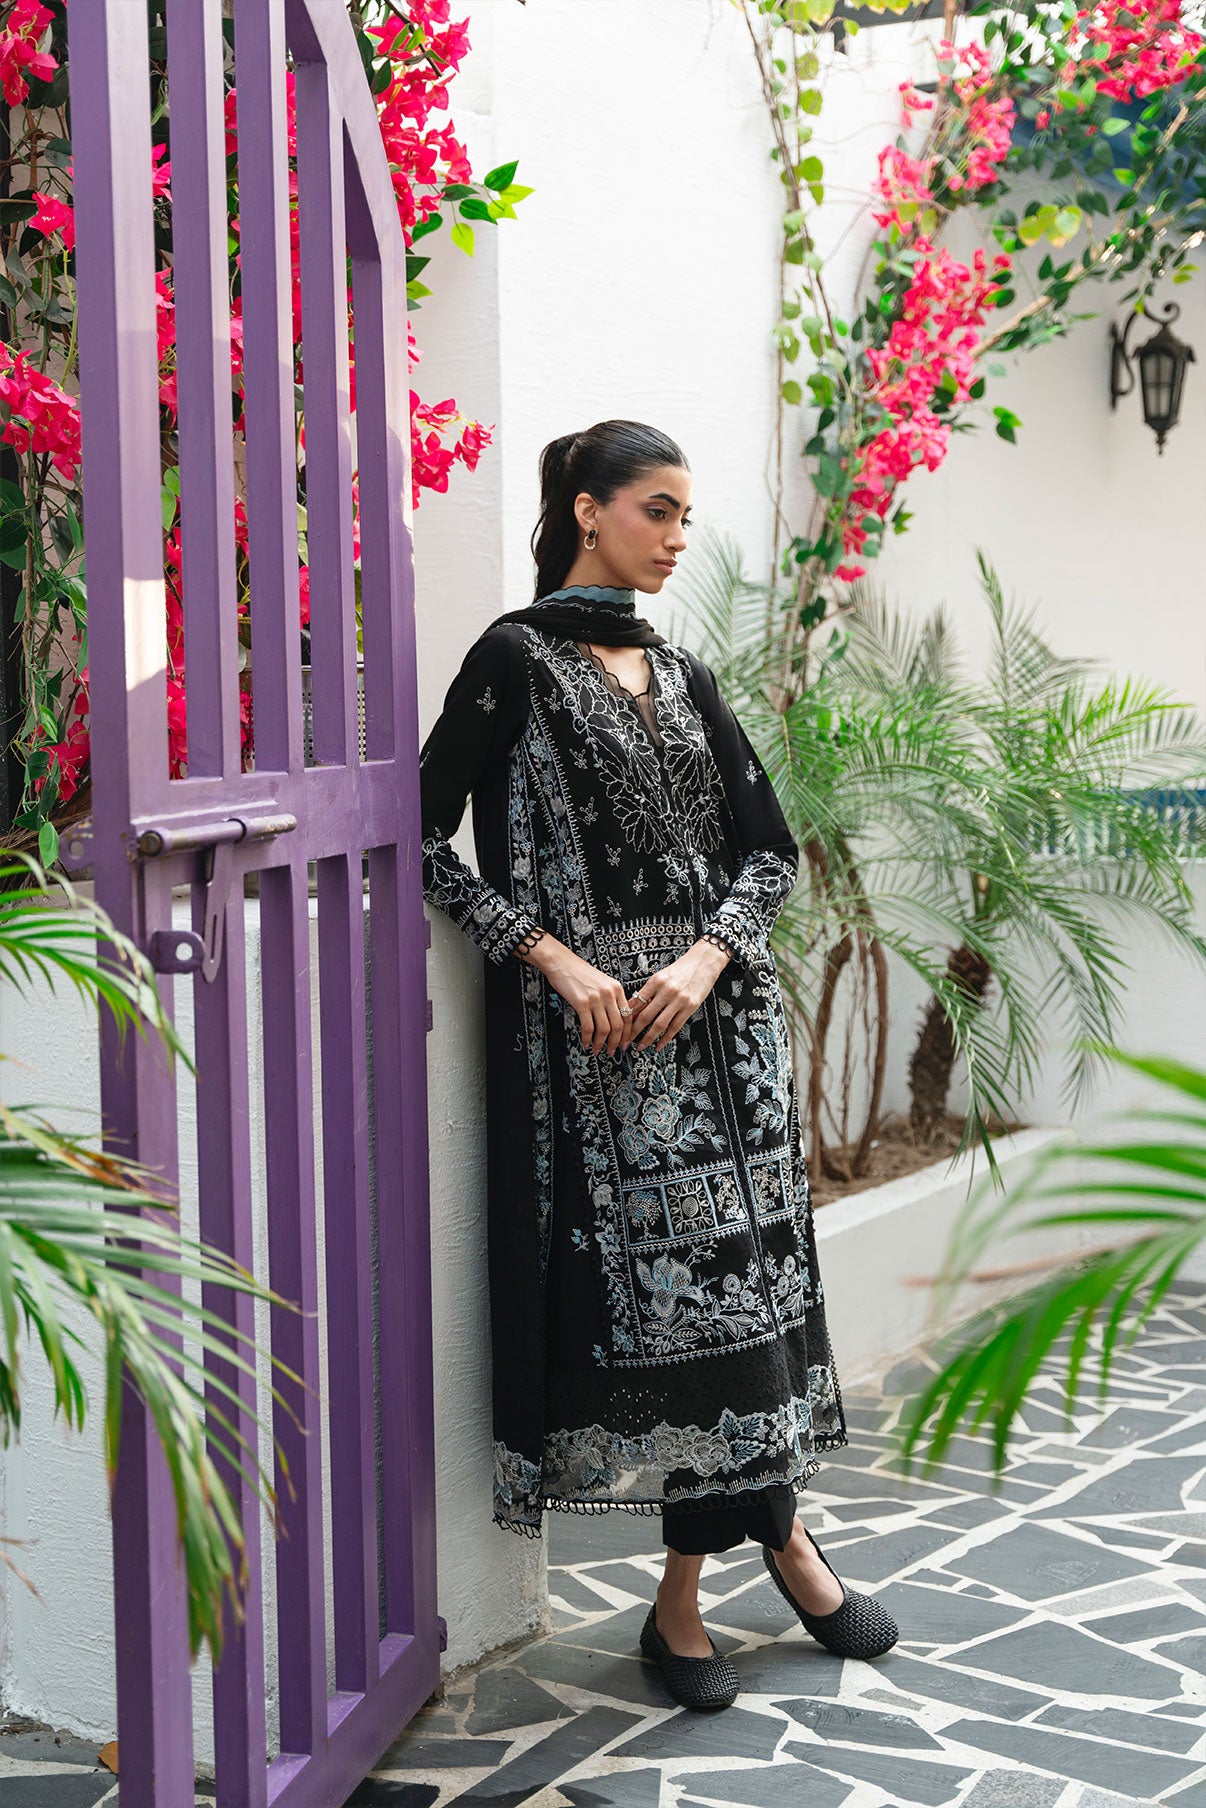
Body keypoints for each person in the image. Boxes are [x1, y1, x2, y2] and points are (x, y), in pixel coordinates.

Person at [418, 419, 898, 1710]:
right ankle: (767, 1568)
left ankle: (726, 1579)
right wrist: (554, 961)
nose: (678, 537)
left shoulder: (683, 673)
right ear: (588, 510)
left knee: (756, 1316)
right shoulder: (512, 662)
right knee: (688, 1331)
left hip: (724, 1035)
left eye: (686, 515)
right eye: (657, 510)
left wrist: (703, 961)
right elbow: (415, 835)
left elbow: (768, 851)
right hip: (602, 1060)